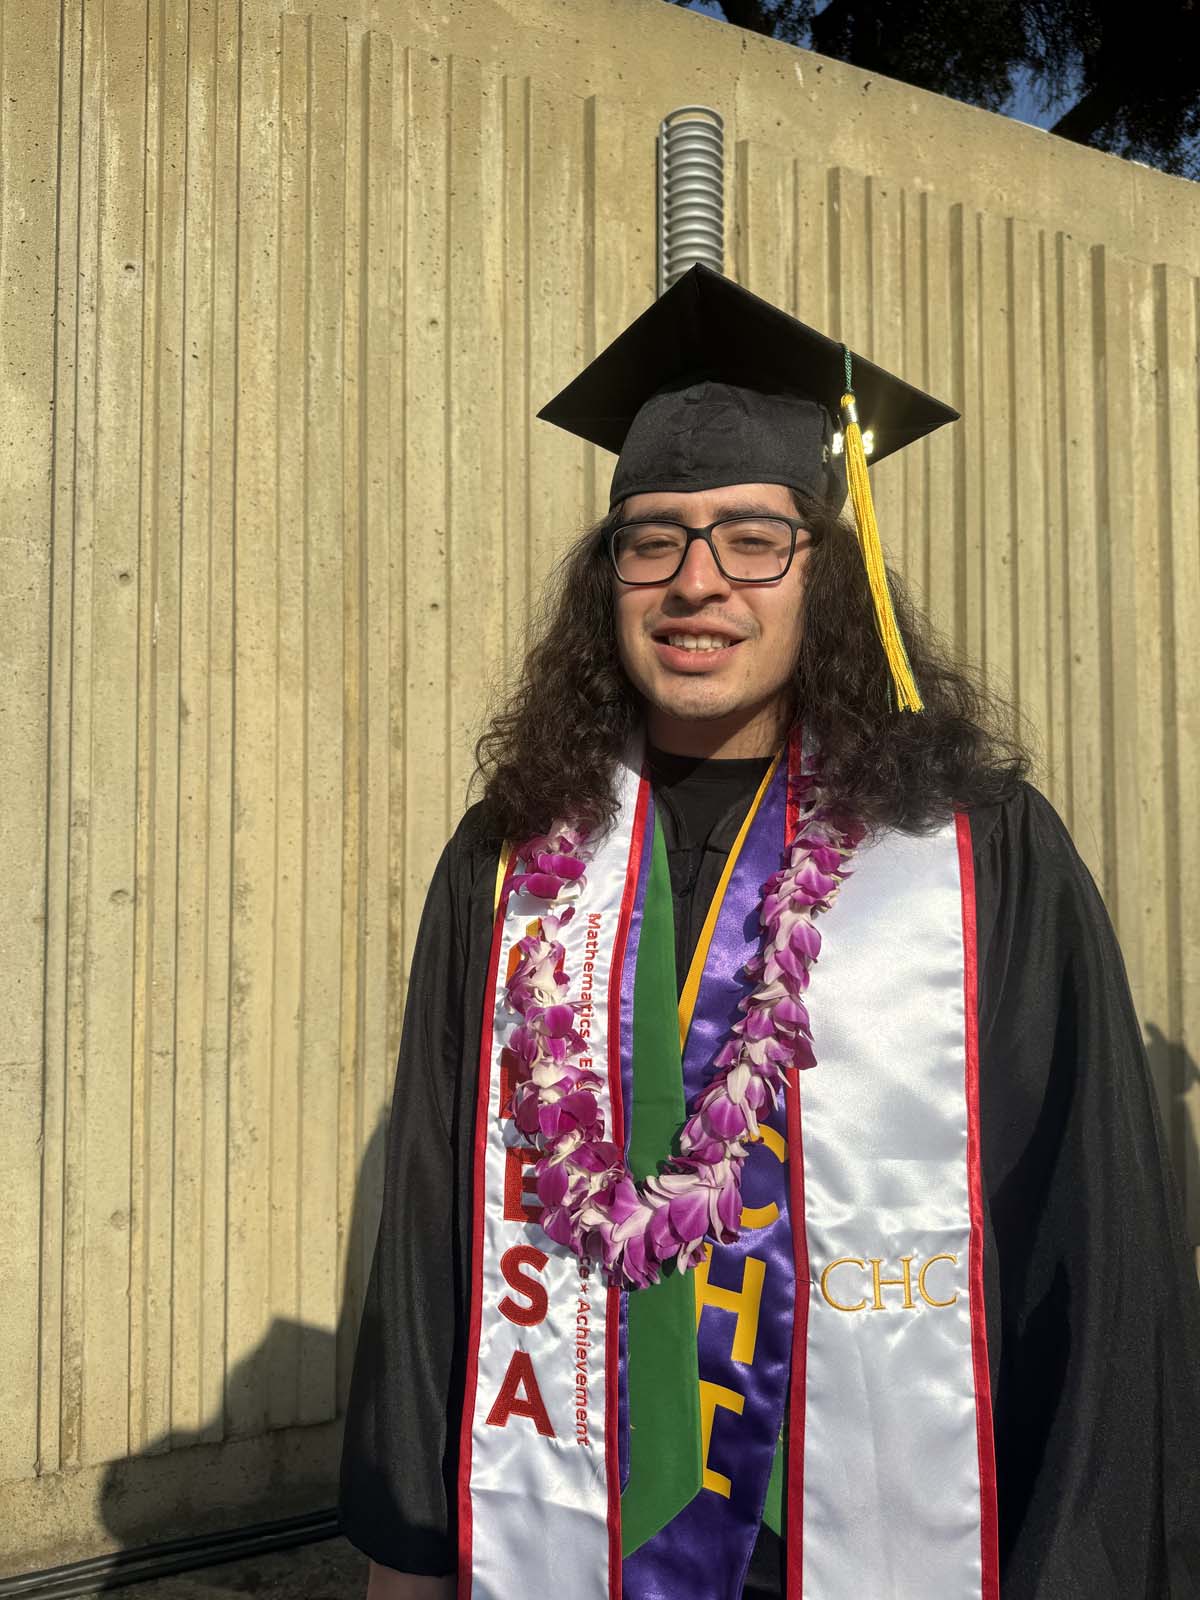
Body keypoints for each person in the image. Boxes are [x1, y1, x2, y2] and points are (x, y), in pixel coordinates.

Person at [338, 264, 1200, 1599]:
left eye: (752, 537)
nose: (697, 582)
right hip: (570, 1514)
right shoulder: (512, 857)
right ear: (607, 574)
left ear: (826, 571)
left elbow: (1082, 1229)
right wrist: (408, 1536)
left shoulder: (975, 852)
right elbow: (437, 1208)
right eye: (654, 538)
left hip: (878, 1522)